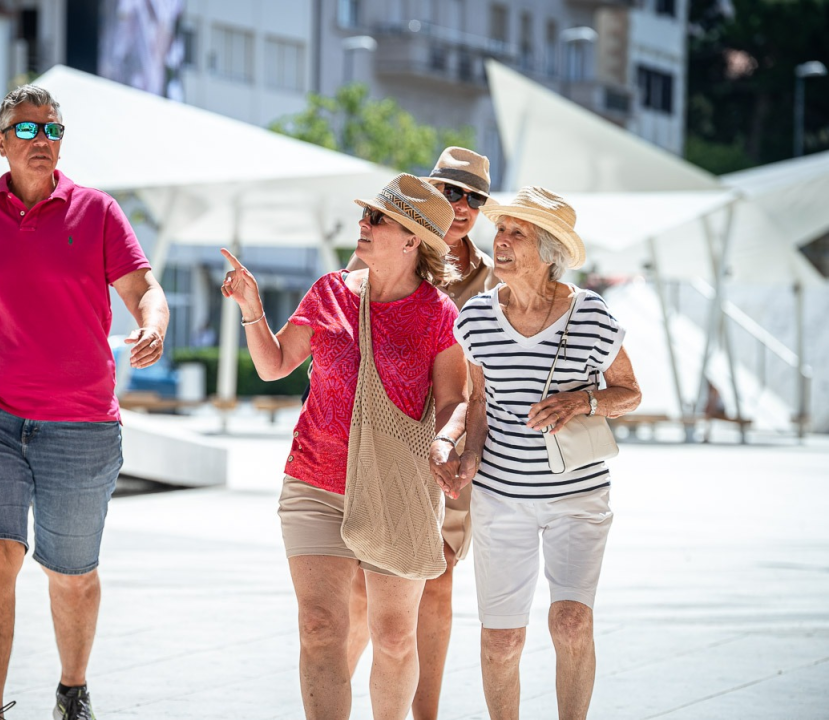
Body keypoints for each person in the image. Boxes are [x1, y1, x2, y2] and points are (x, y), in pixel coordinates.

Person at [0, 85, 169, 720]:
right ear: (2, 141)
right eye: (29, 130)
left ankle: (73, 688)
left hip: (81, 425)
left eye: (53, 130)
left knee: (71, 573)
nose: (43, 141)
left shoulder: (96, 211)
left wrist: (153, 324)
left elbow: (146, 290)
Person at [220, 174, 469, 720]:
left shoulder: (438, 315)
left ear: (412, 240)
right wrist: (251, 306)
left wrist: (447, 440)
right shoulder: (330, 291)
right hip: (313, 482)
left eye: (377, 218)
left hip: (393, 489)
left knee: (395, 636)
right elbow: (273, 364)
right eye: (366, 215)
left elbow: (454, 400)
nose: (363, 223)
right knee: (319, 627)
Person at [448, 187, 641, 720]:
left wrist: (583, 400)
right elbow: (478, 401)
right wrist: (466, 457)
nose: (501, 241)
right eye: (501, 230)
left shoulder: (593, 316)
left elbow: (630, 393)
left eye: (517, 233)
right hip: (500, 500)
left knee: (571, 623)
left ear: (548, 251)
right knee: (501, 641)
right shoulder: (475, 320)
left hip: (577, 496)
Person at [343, 146, 498, 720]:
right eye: (452, 192)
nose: (462, 206)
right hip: (378, 447)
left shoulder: (493, 277)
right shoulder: (375, 258)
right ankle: (335, 698)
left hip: (452, 448)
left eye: (475, 199)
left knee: (437, 576)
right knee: (362, 590)